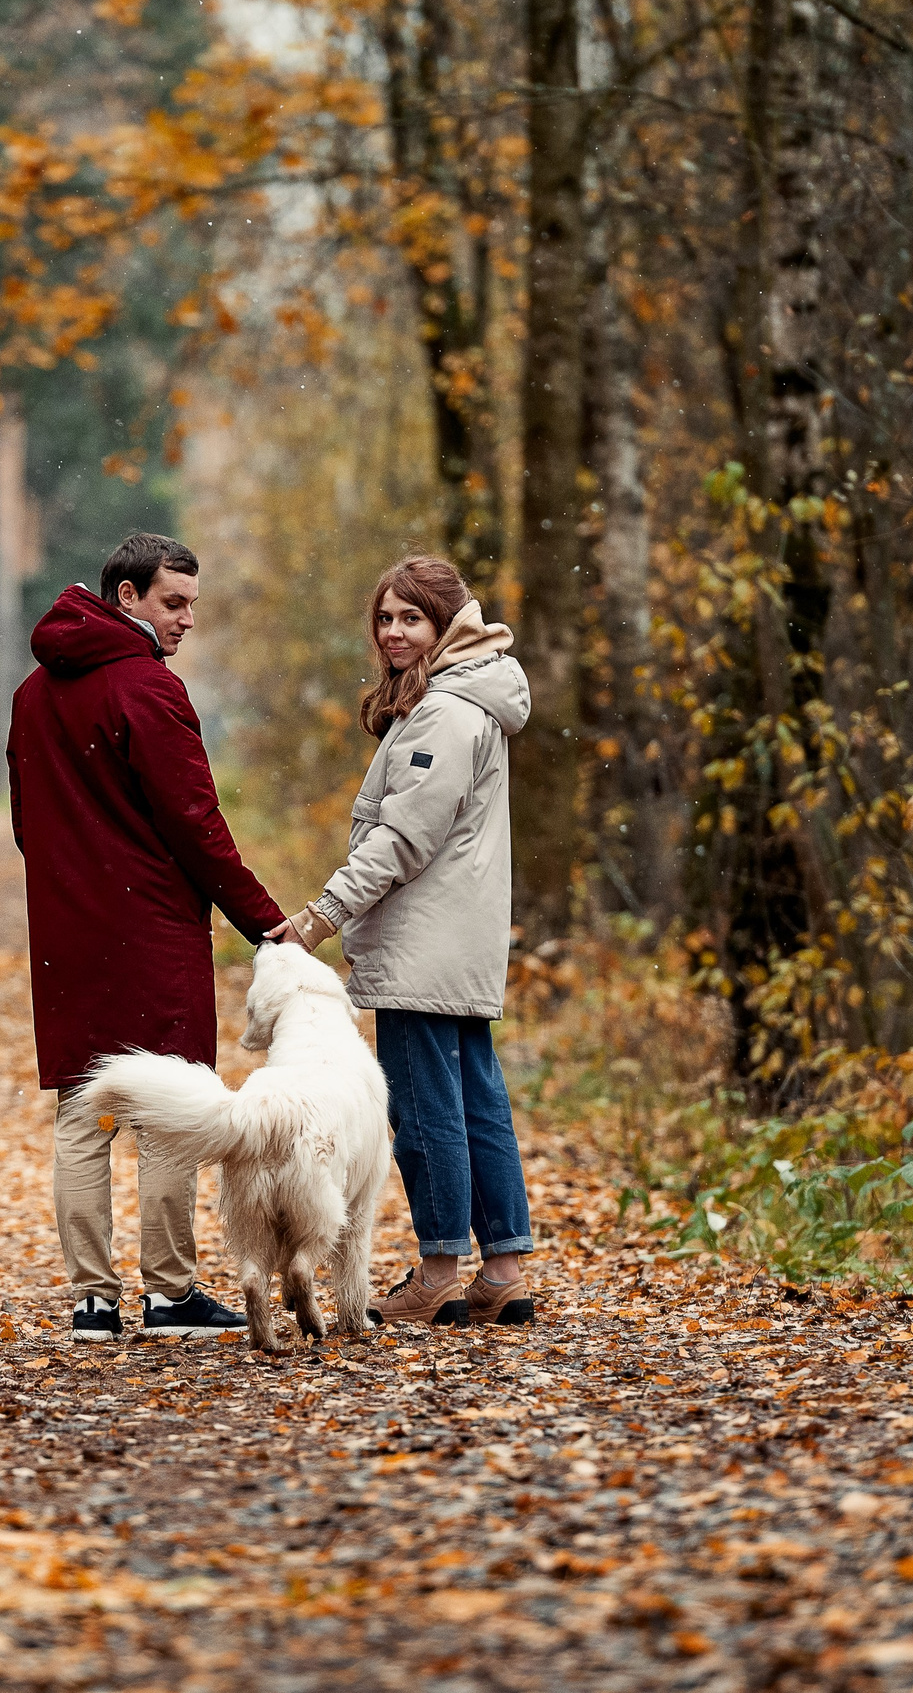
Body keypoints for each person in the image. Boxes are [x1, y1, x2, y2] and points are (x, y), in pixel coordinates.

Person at [7, 531, 289, 1343]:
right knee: (168, 1107)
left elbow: (31, 823)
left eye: (193, 604)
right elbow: (197, 826)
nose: (188, 620)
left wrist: (77, 885)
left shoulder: (34, 694)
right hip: (153, 933)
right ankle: (170, 1294)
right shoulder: (148, 691)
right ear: (124, 596)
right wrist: (267, 925)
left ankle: (93, 1301)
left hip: (68, 935)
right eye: (174, 602)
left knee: (85, 1113)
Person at [270, 555, 536, 1327]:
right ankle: (503, 1268)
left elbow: (400, 841)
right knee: (477, 1102)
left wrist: (319, 916)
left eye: (410, 618)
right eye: (384, 617)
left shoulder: (448, 711)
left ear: (446, 625)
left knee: (424, 1112)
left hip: (424, 944)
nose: (392, 632)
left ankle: (441, 1268)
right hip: (458, 940)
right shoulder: (464, 699)